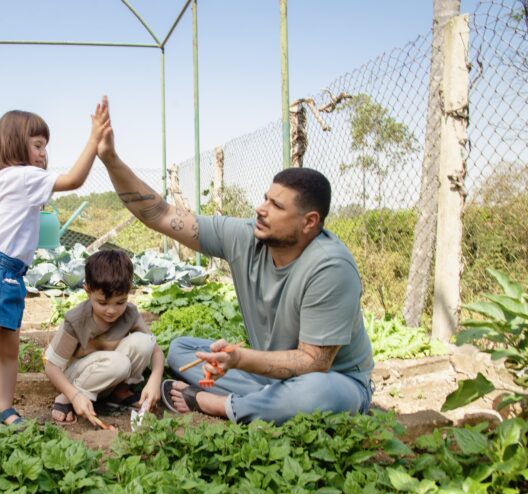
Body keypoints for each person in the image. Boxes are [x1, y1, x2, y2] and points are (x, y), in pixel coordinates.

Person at [96, 100, 374, 425]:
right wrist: (111, 160)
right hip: (271, 376)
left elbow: (314, 362)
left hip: (333, 382)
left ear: (309, 222)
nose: (260, 208)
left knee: (314, 393)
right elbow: (162, 214)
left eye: (276, 206)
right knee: (182, 350)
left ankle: (217, 404)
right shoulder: (245, 237)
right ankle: (262, 400)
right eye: (265, 198)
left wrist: (240, 359)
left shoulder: (331, 268)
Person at [0, 97, 110, 426]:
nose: (43, 153)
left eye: (45, 146)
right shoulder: (22, 176)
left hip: (5, 274)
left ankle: (5, 409)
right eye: (37, 145)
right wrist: (94, 140)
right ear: (15, 145)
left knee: (8, 351)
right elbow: (74, 180)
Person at [44, 249, 165, 425]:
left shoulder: (129, 314)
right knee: (119, 362)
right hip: (77, 377)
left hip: (112, 373)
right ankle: (65, 399)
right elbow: (51, 367)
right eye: (102, 303)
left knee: (144, 342)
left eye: (120, 302)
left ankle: (120, 392)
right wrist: (74, 394)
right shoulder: (77, 320)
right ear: (88, 291)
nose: (111, 310)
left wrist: (155, 380)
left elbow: (156, 352)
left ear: (128, 292)